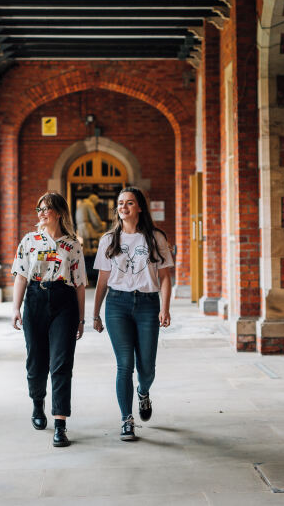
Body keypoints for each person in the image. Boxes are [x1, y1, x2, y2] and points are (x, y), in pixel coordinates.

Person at [91, 187, 173, 441]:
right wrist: (95, 314)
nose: (123, 207)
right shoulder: (108, 239)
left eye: (129, 203)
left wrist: (165, 307)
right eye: (120, 203)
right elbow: (103, 279)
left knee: (146, 367)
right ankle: (127, 419)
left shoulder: (155, 238)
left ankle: (143, 391)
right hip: (117, 305)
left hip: (148, 304)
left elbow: (165, 276)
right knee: (124, 365)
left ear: (139, 208)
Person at [11, 192, 87, 447]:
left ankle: (61, 424)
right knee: (36, 360)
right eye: (39, 208)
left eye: (47, 208)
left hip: (64, 302)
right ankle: (37, 403)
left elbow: (79, 284)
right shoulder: (29, 241)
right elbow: (21, 276)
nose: (41, 212)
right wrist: (15, 309)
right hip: (35, 299)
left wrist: (82, 319)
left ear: (59, 212)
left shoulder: (73, 245)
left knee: (62, 364)